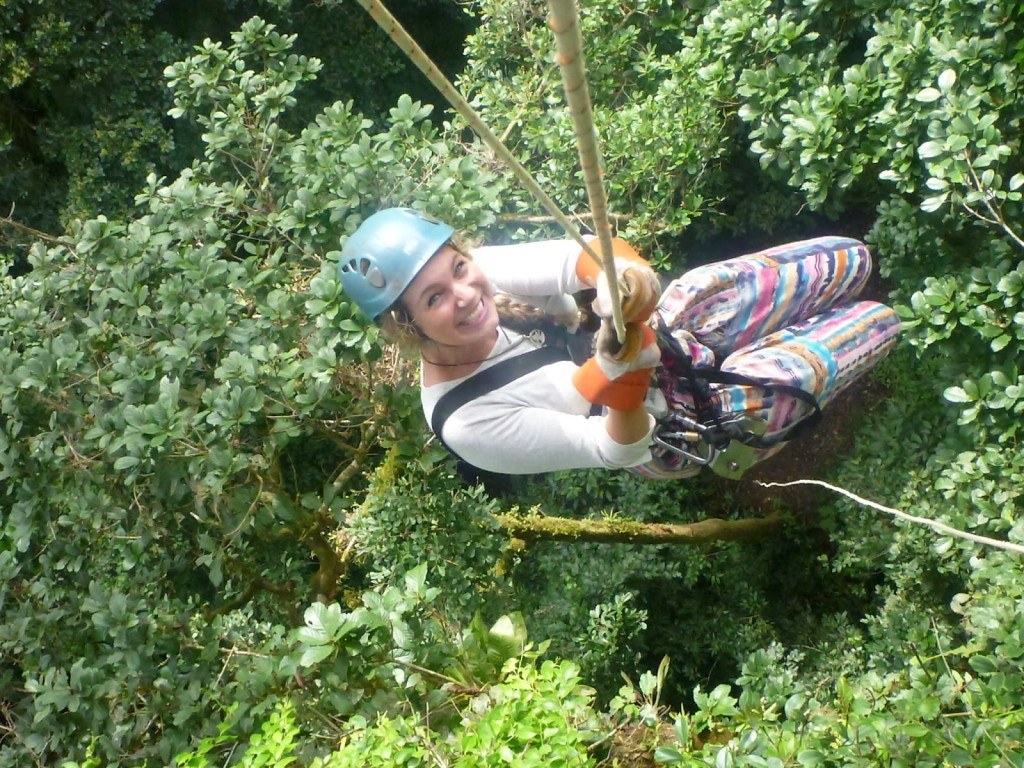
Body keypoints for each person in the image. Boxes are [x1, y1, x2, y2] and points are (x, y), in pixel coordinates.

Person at [337, 207, 901, 479]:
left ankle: (879, 266)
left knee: (850, 257)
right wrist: (626, 373)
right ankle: (886, 316)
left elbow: (576, 256)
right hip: (668, 425)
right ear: (407, 327)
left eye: (459, 269)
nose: (463, 294)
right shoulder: (466, 422)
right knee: (874, 324)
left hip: (661, 340)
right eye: (434, 299)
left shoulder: (475, 277)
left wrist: (622, 281)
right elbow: (614, 448)